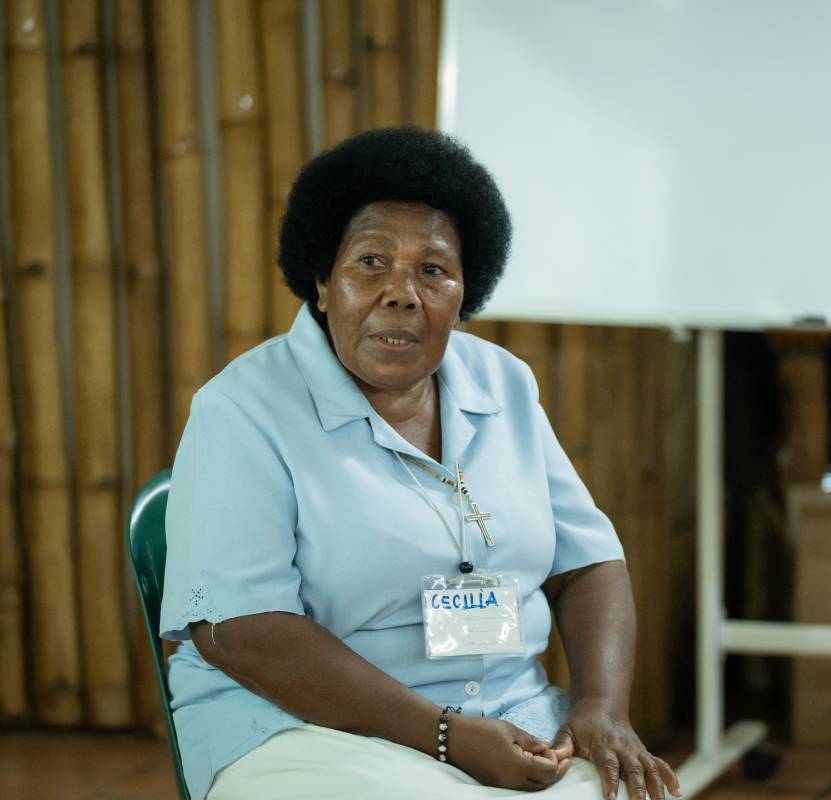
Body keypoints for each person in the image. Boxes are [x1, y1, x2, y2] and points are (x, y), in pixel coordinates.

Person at [160, 127, 681, 800]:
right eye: (370, 263)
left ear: (465, 296)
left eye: (433, 270)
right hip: (299, 732)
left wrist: (602, 708)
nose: (402, 292)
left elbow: (589, 562)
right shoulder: (242, 411)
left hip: (511, 722)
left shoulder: (504, 385)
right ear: (322, 284)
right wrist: (445, 736)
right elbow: (245, 633)